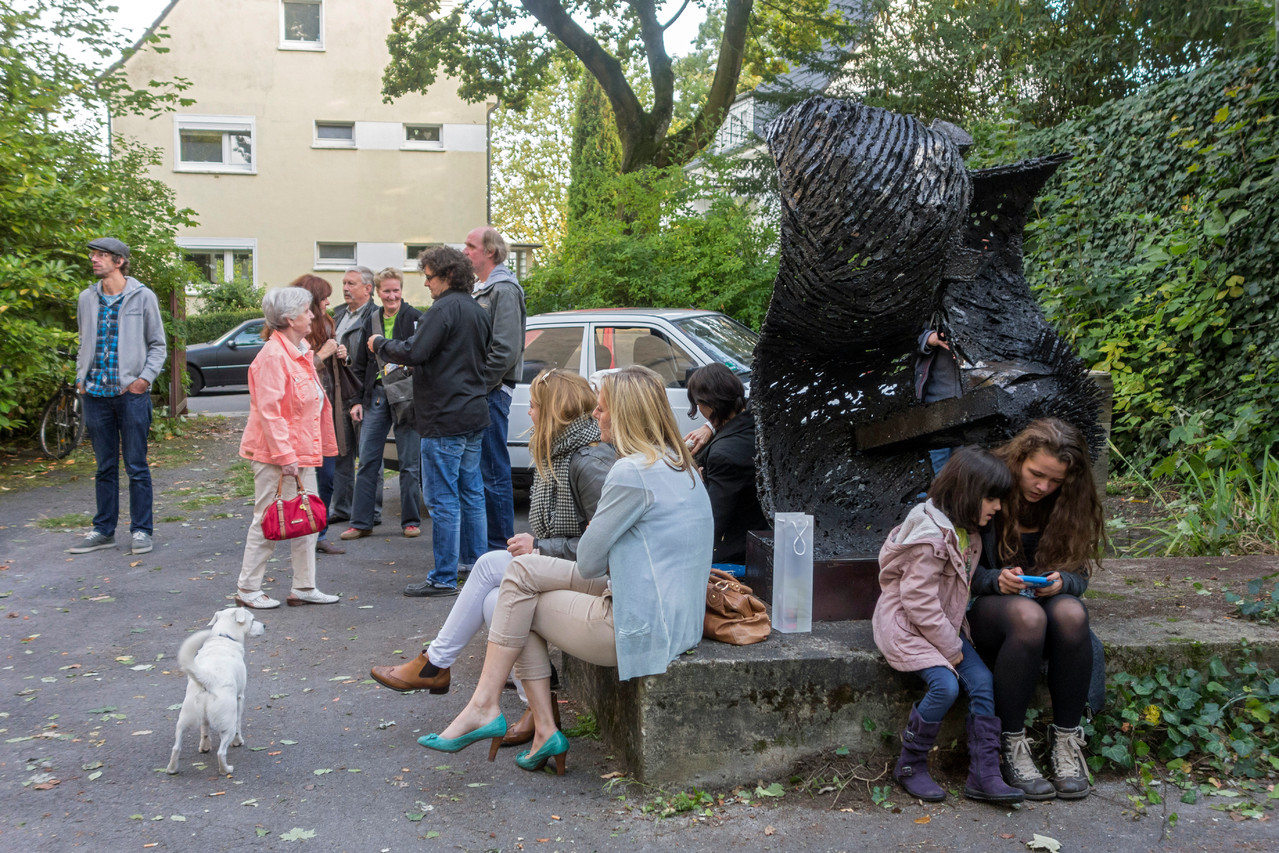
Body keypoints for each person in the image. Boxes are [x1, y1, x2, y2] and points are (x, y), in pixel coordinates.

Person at [415, 365, 712, 775]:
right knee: (518, 574)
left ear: (624, 414)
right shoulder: (679, 463)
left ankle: (494, 709)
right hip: (677, 618)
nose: (595, 415)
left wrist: (597, 535)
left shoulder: (628, 472)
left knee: (509, 595)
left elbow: (590, 560)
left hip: (636, 625)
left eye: (603, 409)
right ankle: (532, 724)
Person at [370, 369, 615, 747]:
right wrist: (539, 546)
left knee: (489, 570)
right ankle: (539, 714)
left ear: (553, 411)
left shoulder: (588, 462)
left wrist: (539, 547)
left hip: (600, 582)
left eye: (534, 406)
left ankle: (439, 667)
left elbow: (606, 546)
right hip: (573, 569)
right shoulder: (561, 452)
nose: (529, 413)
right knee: (493, 599)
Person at [872, 447, 1024, 804]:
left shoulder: (965, 531)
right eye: (992, 498)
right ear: (968, 493)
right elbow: (918, 602)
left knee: (983, 681)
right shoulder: (931, 537)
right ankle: (909, 765)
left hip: (942, 627)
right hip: (907, 626)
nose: (998, 507)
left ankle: (984, 774)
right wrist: (952, 648)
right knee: (946, 686)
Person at [968, 418, 1106, 800]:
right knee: (1028, 616)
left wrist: (1064, 581)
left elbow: (1079, 577)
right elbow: (955, 568)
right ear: (1018, 458)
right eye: (1036, 474)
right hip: (989, 610)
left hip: (1047, 608)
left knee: (1072, 613)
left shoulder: (1069, 503)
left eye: (1055, 481)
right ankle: (1011, 745)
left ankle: (1066, 742)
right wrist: (995, 580)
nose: (1043, 487)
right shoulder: (987, 482)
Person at [370, 247, 490, 597]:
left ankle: (443, 577)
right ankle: (474, 564)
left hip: (444, 416)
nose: (426, 284)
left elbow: (415, 352)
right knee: (471, 493)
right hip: (472, 412)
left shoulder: (443, 310)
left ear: (447, 276)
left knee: (442, 499)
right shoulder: (477, 310)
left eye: (429, 277)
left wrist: (381, 344)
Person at [233, 287, 340, 610]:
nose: (312, 315)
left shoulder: (301, 349)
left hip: (301, 452)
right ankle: (248, 588)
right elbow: (269, 412)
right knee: (269, 519)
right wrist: (285, 456)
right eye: (307, 311)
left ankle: (304, 586)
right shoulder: (273, 356)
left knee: (308, 519)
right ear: (290, 318)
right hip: (277, 456)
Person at [70, 237, 167, 556]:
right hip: (95, 394)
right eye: (93, 255)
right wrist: (80, 379)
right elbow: (85, 341)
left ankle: (141, 530)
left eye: (101, 255)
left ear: (120, 261)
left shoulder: (143, 297)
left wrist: (143, 380)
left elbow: (158, 345)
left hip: (131, 395)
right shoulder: (87, 298)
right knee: (104, 466)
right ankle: (103, 530)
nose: (94, 259)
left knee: (136, 465)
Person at [342, 268, 424, 541]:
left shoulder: (415, 318)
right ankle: (361, 521)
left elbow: (422, 358)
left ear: (402, 290)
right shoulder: (372, 319)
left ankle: (410, 521)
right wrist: (356, 400)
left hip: (406, 398)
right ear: (377, 292)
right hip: (375, 396)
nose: (392, 295)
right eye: (386, 291)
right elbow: (360, 364)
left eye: (396, 290)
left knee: (409, 463)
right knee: (367, 460)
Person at [464, 226, 526, 551]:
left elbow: (505, 349)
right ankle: (490, 547)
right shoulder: (482, 288)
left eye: (470, 246)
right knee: (482, 471)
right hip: (482, 391)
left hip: (491, 391)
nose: (465, 252)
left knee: (493, 470)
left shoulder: (504, 290)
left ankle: (501, 549)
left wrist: (477, 386)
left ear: (489, 251)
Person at [291, 275, 352, 556]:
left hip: (328, 410)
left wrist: (342, 354)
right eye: (324, 297)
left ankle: (320, 533)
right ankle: (300, 533)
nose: (330, 301)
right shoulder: (289, 330)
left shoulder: (328, 322)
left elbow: (336, 369)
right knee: (305, 479)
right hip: (302, 417)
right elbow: (294, 372)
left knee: (328, 476)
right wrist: (323, 355)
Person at [685, 363, 767, 565]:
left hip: (739, 554)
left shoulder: (724, 454)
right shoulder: (759, 424)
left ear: (708, 406)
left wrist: (699, 482)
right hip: (765, 535)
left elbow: (712, 521)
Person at [328, 266, 377, 525]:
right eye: (344, 283)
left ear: (368, 289)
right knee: (341, 452)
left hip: (362, 392)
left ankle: (372, 511)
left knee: (368, 455)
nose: (345, 288)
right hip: (339, 392)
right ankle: (342, 508)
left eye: (352, 284)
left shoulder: (375, 316)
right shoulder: (337, 314)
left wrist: (348, 357)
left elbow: (371, 358)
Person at [914, 321, 963, 476]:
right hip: (936, 406)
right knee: (937, 468)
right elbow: (907, 337)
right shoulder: (933, 308)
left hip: (972, 406)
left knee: (967, 470)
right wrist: (930, 338)